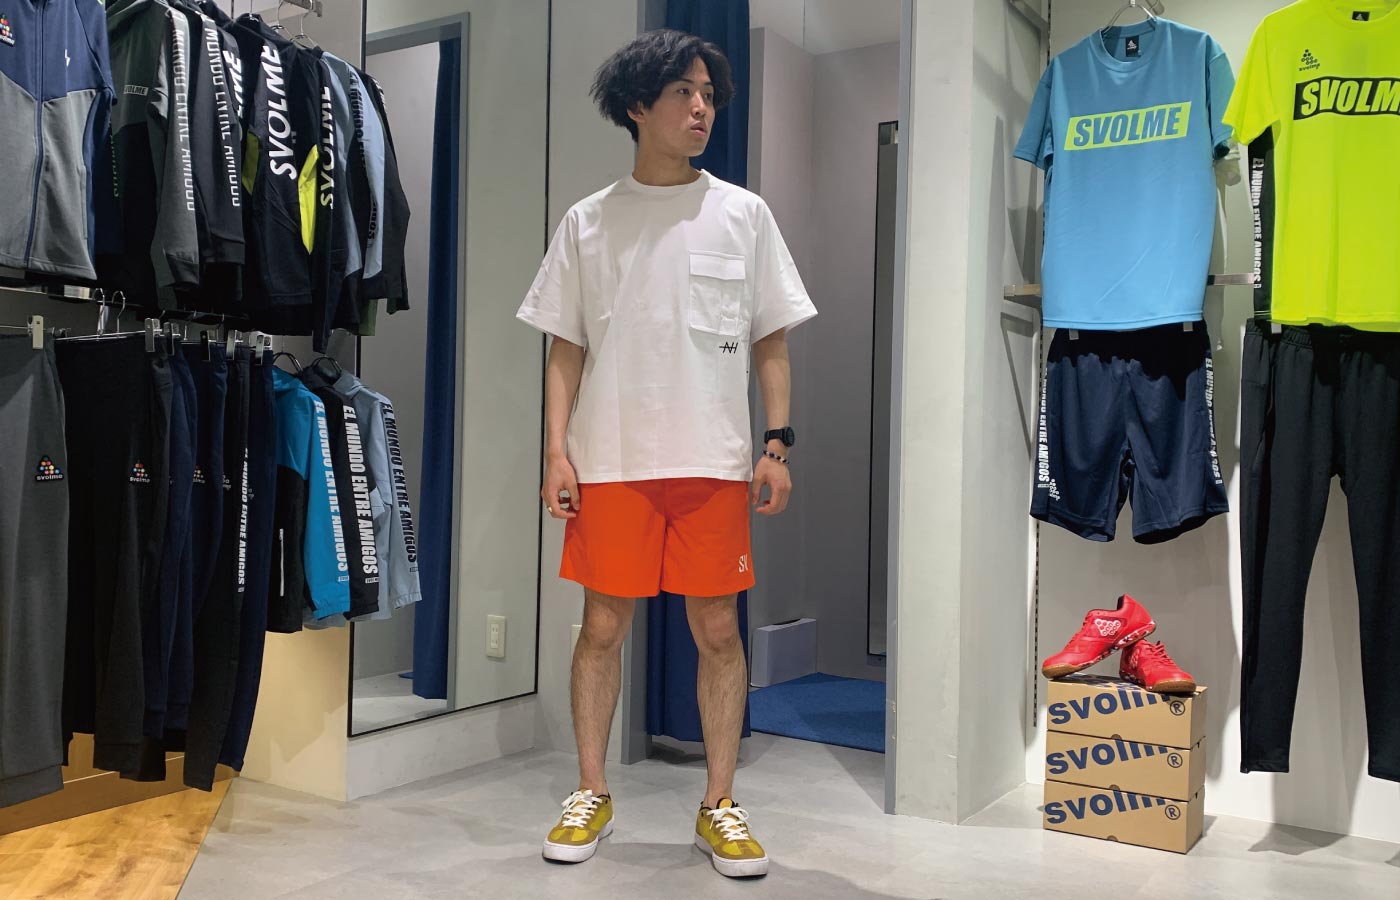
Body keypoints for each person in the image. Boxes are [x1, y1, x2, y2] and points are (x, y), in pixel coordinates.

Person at [516, 28, 816, 879]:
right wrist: (555, 453)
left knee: (717, 629)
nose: (701, 107)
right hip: (610, 459)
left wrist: (776, 444)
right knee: (601, 627)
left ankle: (719, 803)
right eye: (684, 91)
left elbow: (770, 339)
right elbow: (565, 347)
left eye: (709, 94)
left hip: (713, 462)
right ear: (637, 107)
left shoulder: (743, 214)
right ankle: (590, 791)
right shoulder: (588, 222)